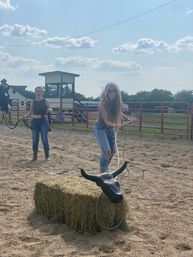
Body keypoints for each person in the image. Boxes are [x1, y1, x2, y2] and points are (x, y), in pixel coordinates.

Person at [94, 82, 133, 173]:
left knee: (112, 151)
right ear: (106, 92)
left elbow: (119, 113)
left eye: (114, 91)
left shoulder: (117, 103)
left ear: (117, 92)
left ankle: (105, 167)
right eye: (110, 91)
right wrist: (116, 125)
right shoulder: (102, 104)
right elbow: (107, 122)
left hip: (110, 129)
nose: (112, 93)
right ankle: (103, 172)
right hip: (100, 129)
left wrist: (126, 118)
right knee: (107, 151)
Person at [24, 86, 52, 161]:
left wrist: (49, 109)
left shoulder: (45, 101)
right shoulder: (33, 101)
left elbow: (50, 108)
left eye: (40, 91)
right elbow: (30, 112)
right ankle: (35, 156)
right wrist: (24, 117)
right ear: (35, 92)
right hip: (35, 122)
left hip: (43, 121)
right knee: (35, 139)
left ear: (42, 92)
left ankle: (47, 155)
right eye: (37, 91)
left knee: (44, 139)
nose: (38, 93)